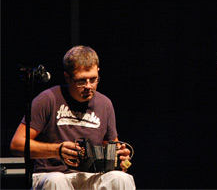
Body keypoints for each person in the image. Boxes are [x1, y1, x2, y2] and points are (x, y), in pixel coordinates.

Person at [10, 45, 136, 189]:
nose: (89, 86)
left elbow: (113, 146)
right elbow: (17, 144)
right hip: (53, 174)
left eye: (93, 79)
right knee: (56, 181)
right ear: (67, 77)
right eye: (81, 81)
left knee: (122, 178)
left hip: (92, 177)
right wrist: (56, 150)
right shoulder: (48, 99)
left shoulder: (105, 104)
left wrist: (120, 159)